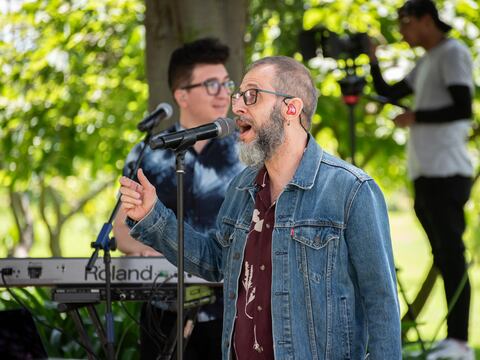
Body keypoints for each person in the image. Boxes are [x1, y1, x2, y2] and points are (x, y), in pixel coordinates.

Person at [119, 55, 402, 359]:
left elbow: (382, 303)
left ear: (291, 109)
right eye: (237, 96)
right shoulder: (242, 187)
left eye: (251, 96)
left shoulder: (351, 190)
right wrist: (152, 216)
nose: (237, 107)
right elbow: (216, 261)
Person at [113, 37, 244, 360]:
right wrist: (148, 251)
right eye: (211, 84)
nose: (224, 92)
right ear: (181, 95)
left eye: (226, 83)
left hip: (235, 311)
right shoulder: (150, 152)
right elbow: (121, 230)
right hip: (162, 312)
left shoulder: (249, 149)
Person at [368, 1, 474, 359]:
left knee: (452, 256)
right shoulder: (426, 60)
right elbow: (389, 92)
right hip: (426, 171)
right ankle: (453, 338)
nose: (402, 32)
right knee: (443, 255)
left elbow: (464, 107)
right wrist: (371, 57)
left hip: (447, 170)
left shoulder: (453, 53)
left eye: (406, 23)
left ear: (428, 20)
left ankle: (459, 341)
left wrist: (416, 116)